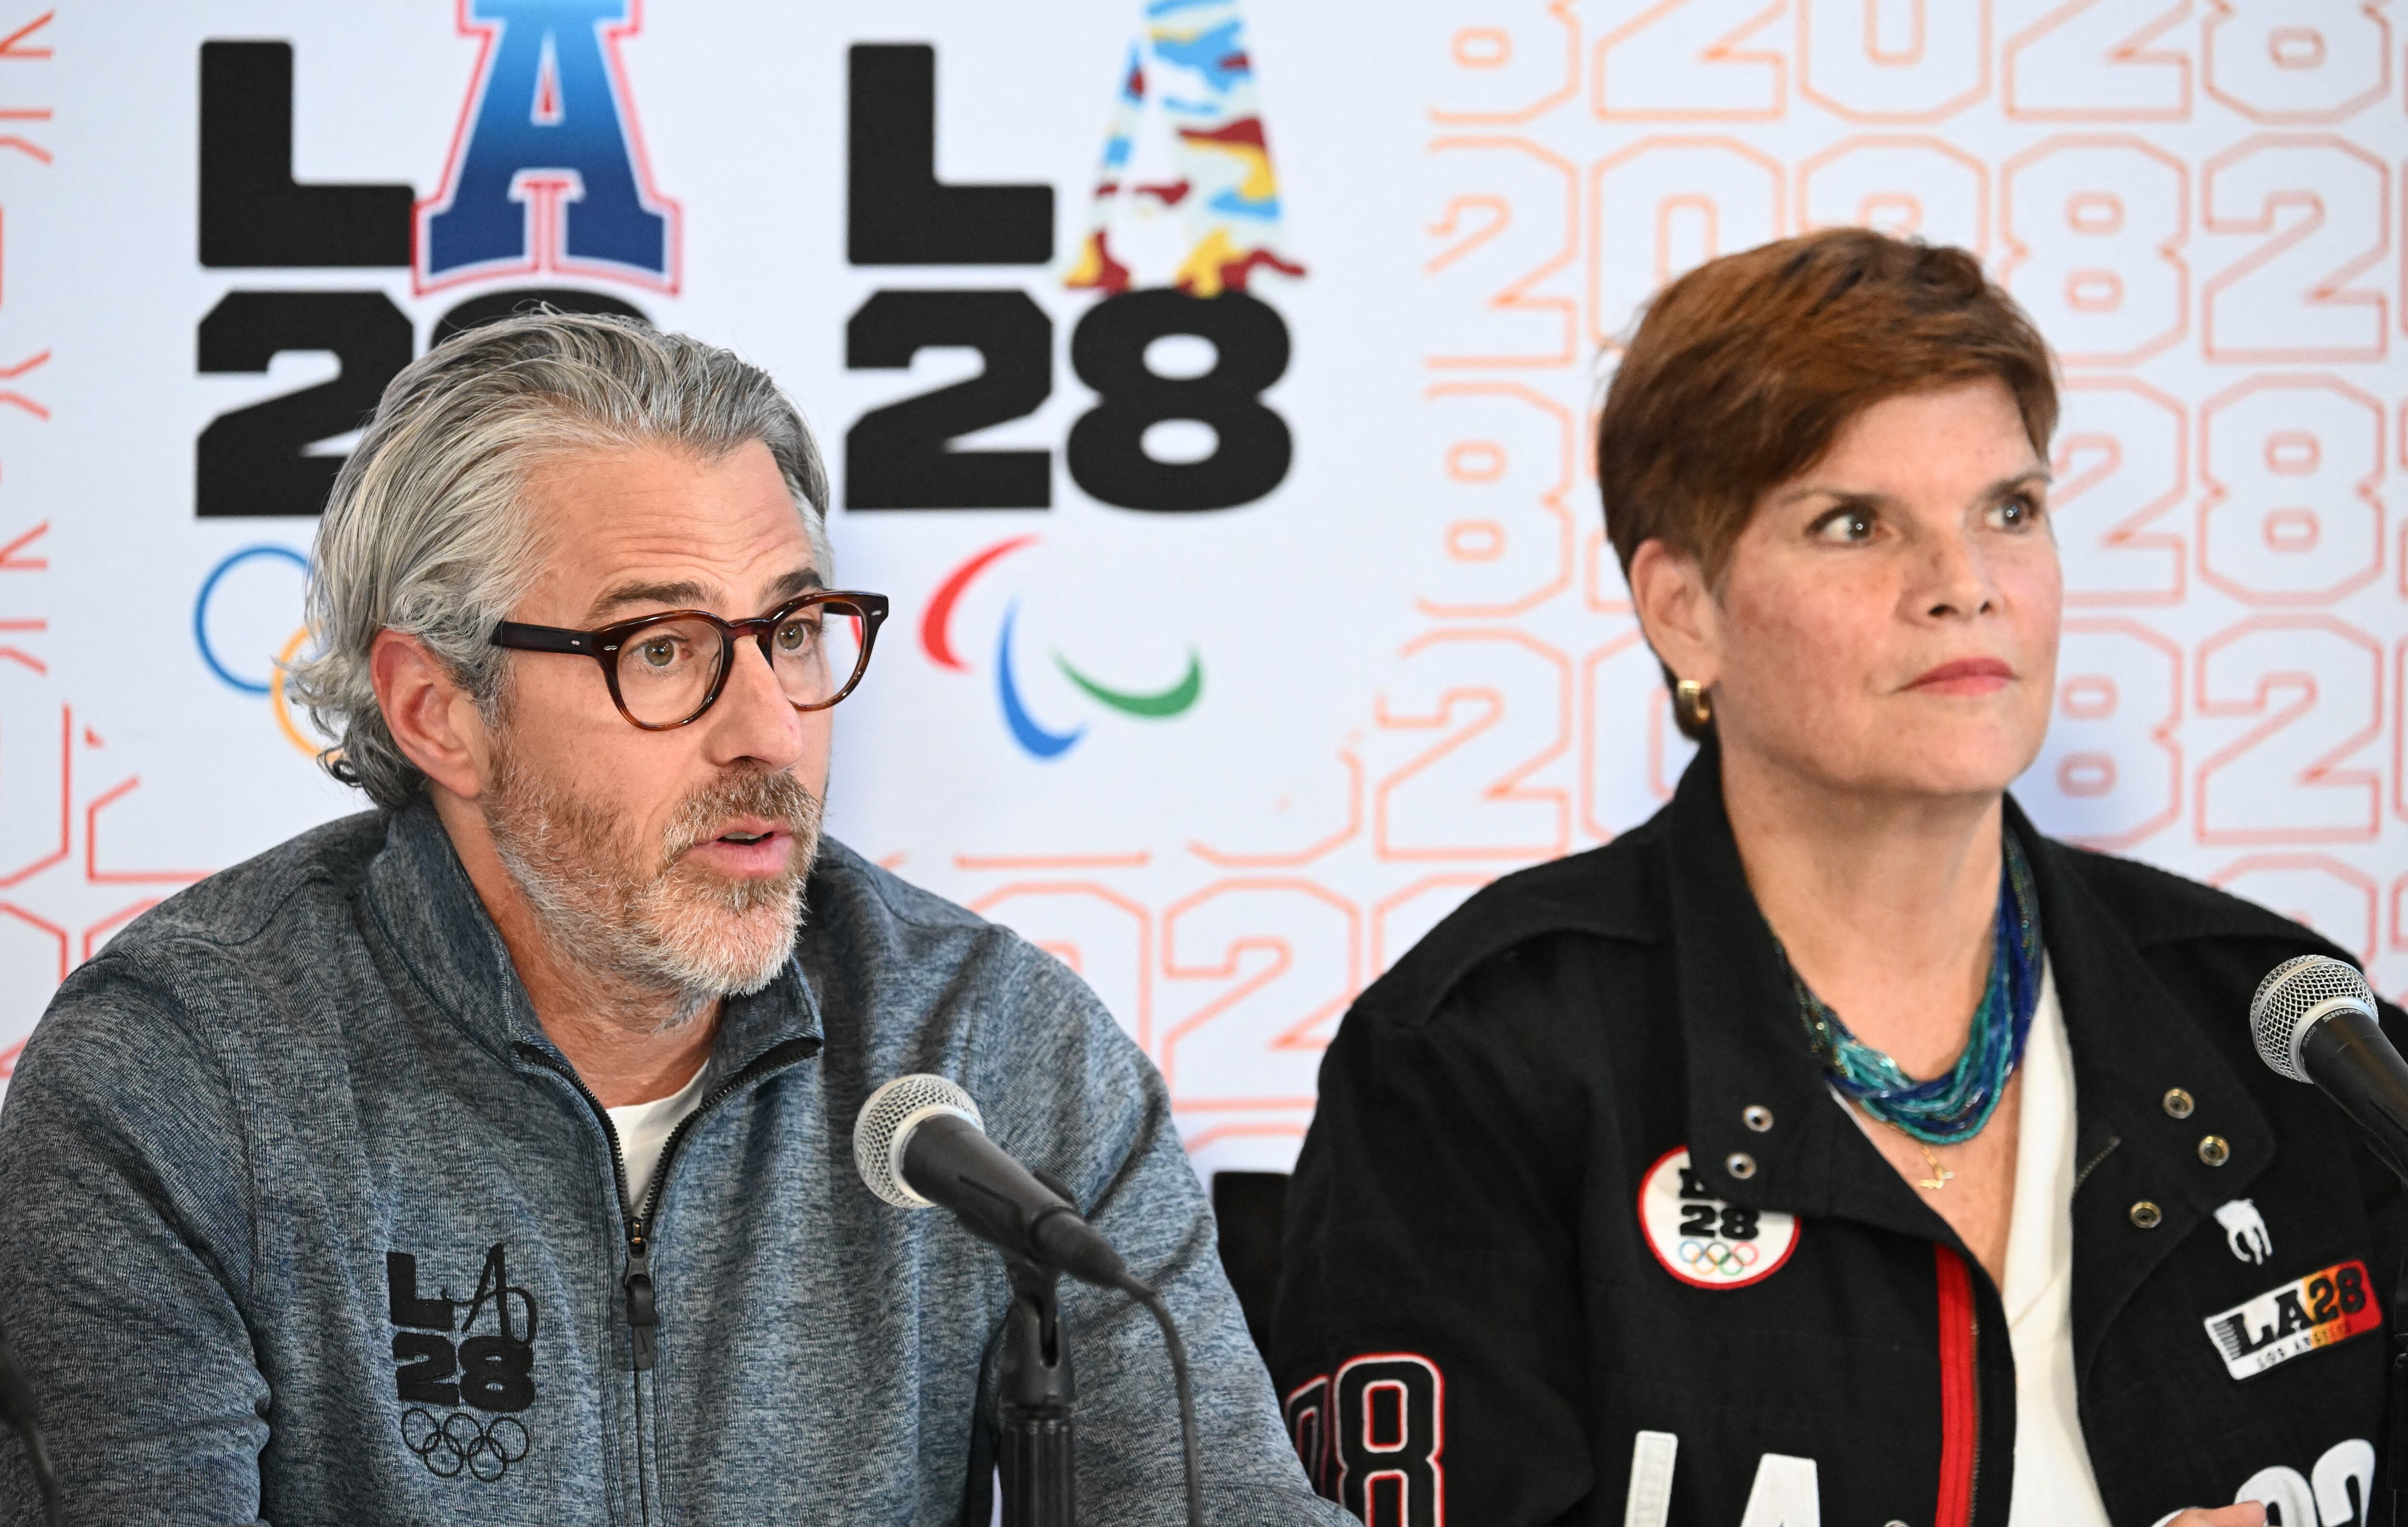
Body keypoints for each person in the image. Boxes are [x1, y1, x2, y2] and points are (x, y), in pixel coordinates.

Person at [0, 313, 1346, 1525]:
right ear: (437, 711)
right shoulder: (183, 1081)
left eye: (795, 631)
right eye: (662, 649)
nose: (770, 731)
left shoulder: (988, 1054)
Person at [1272, 229, 2398, 1526]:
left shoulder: (2285, 1027)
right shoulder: (1481, 1062)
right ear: (1684, 606)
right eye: (1855, 524)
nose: (1966, 586)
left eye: (2010, 511)